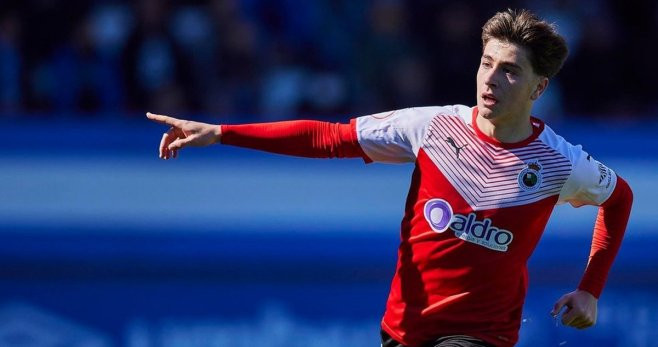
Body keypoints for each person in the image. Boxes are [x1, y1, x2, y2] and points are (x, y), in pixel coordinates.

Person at [146, 9, 633, 347]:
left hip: (481, 336)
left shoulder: (558, 161)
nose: (490, 79)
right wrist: (223, 132)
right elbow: (329, 137)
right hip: (403, 327)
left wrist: (590, 288)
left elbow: (619, 198)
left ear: (538, 87)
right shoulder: (432, 127)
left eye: (509, 71)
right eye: (486, 63)